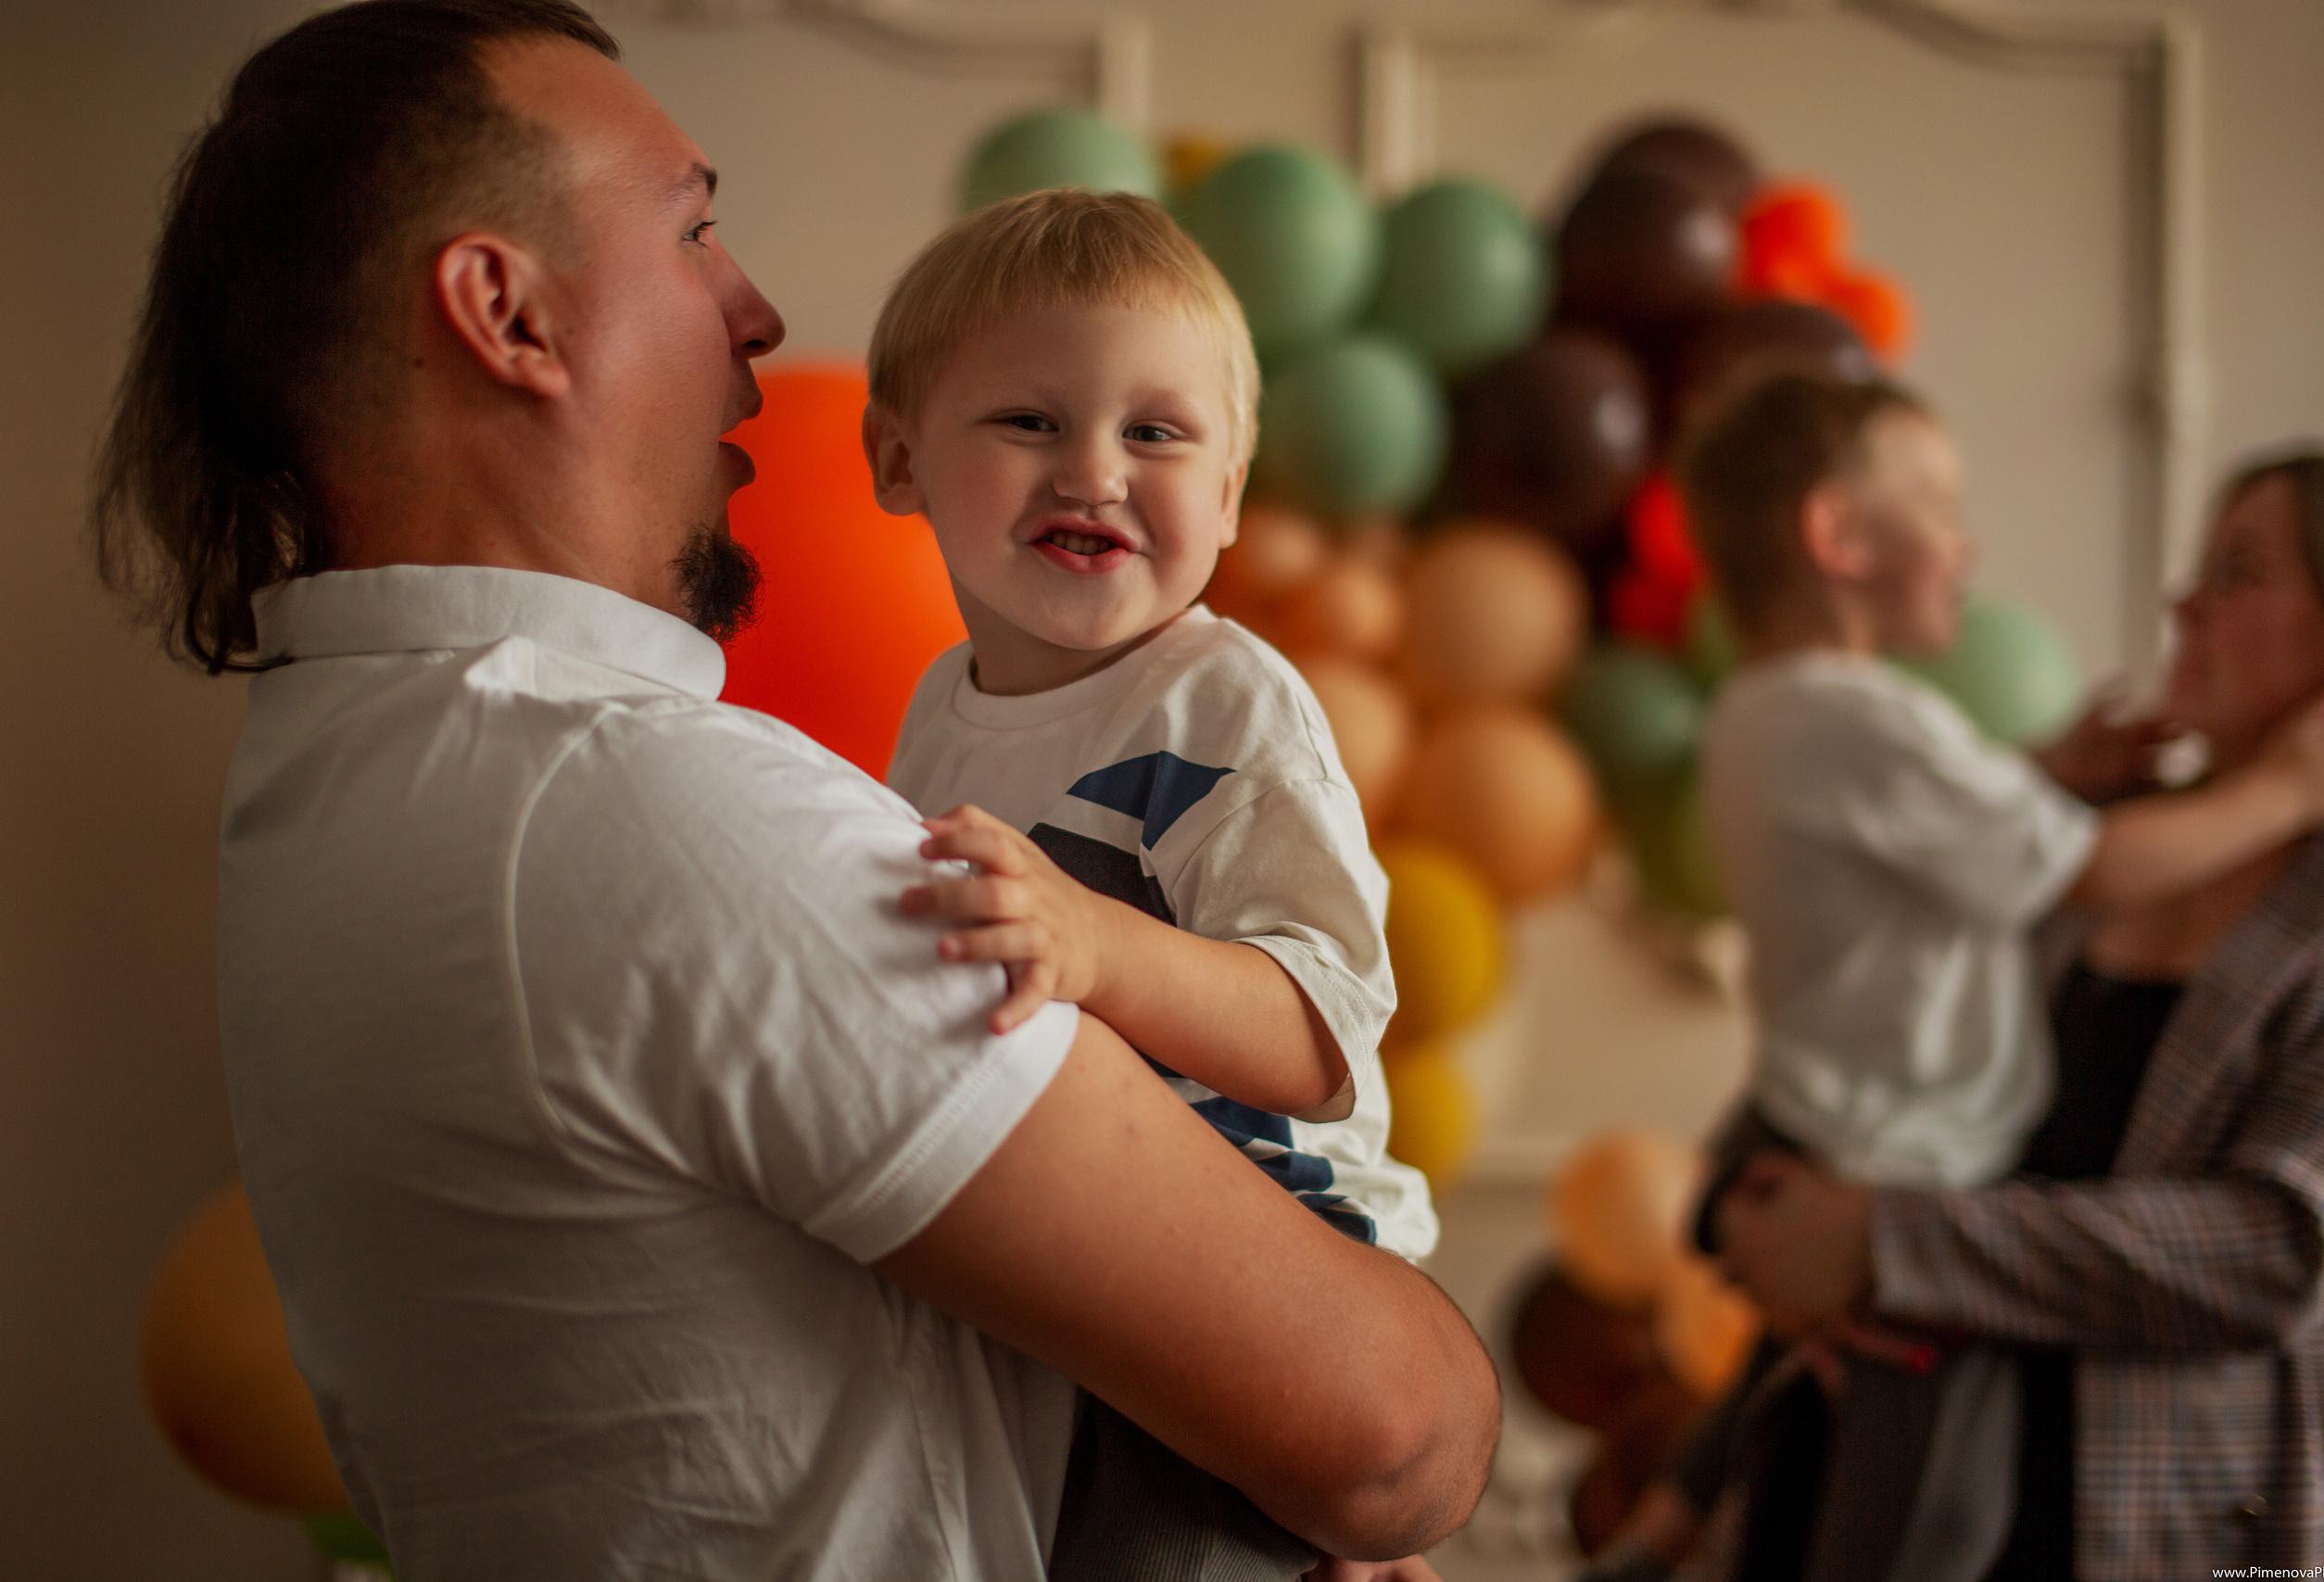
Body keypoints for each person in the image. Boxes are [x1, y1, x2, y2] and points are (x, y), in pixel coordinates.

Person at [90, 3, 1499, 1576]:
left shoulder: (325, 779)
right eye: (694, 229)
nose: (758, 312)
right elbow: (1394, 1433)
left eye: (1158, 431)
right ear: (507, 313)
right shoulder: (645, 813)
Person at [1579, 374, 2324, 1582]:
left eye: (2237, 572)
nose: (2180, 601)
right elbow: (1915, 1067)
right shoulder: (2113, 840)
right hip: (1895, 1434)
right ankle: (1678, 1519)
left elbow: (2277, 1251)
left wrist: (1894, 1242)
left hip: (2173, 1526)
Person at [863, 190, 1436, 1582]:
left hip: (1266, 1268)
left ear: (1230, 494)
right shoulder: (941, 708)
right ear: (897, 461)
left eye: (1157, 434)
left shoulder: (1222, 704)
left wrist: (1098, 949)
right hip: (1083, 1254)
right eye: (1030, 422)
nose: (1095, 473)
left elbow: (1319, 1038)